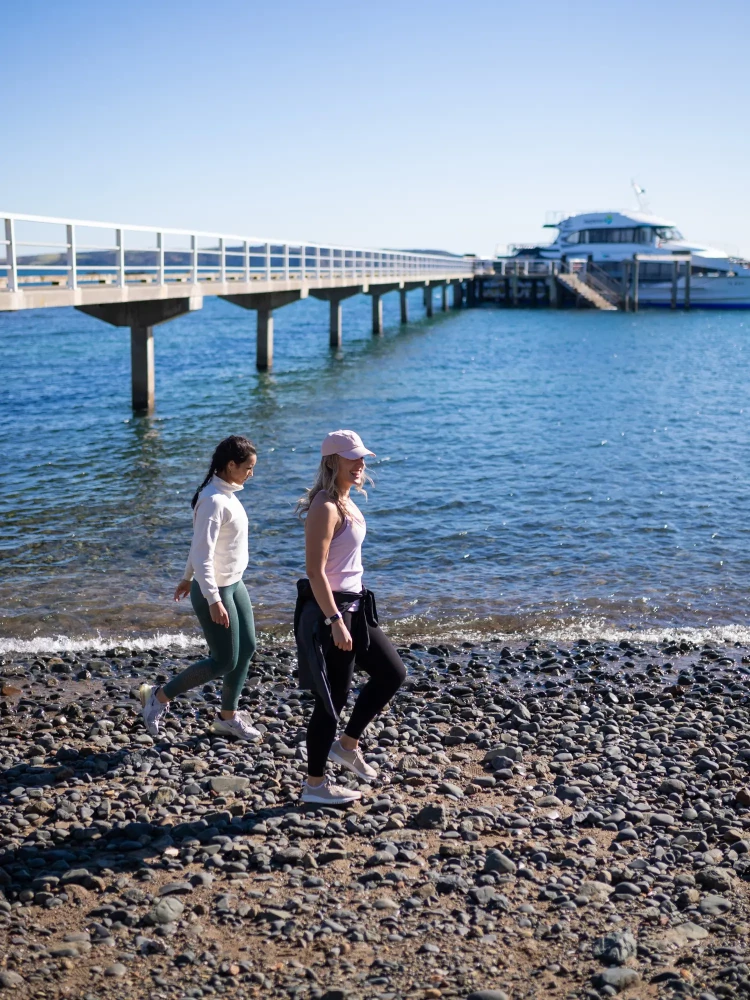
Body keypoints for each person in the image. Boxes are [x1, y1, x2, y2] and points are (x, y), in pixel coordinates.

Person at [294, 429, 406, 805]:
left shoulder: (346, 500)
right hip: (334, 611)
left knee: (392, 673)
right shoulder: (325, 506)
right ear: (333, 461)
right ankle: (314, 785)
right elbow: (315, 572)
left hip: (356, 607)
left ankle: (346, 745)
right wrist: (334, 622)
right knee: (333, 699)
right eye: (353, 458)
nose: (361, 465)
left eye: (362, 458)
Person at [140, 435, 260, 740]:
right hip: (216, 591)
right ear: (230, 465)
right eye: (248, 467)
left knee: (246, 649)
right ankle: (159, 696)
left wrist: (186, 576)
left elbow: (199, 547)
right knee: (223, 660)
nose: (251, 473)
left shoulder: (226, 493)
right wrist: (212, 598)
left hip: (234, 584)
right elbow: (204, 553)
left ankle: (227, 717)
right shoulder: (214, 500)